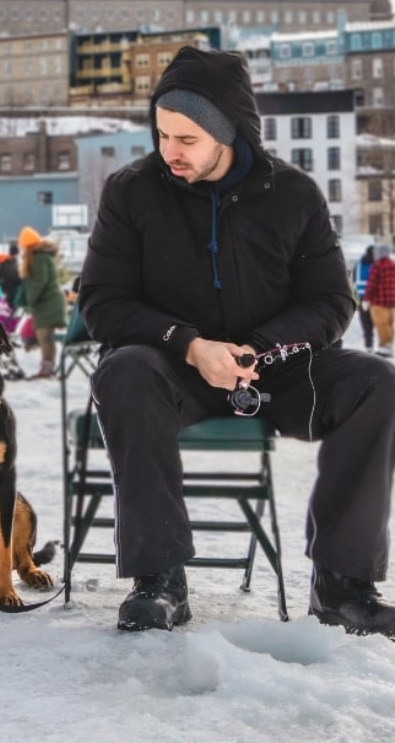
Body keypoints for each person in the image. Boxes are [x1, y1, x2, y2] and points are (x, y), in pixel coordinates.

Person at [79, 45, 395, 636]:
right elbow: (103, 301)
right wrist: (191, 345)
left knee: (376, 383)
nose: (169, 150)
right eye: (162, 133)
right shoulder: (131, 191)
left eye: (188, 139)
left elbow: (331, 301)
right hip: (171, 368)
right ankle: (160, 579)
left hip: (271, 369)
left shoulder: (295, 194)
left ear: (227, 133)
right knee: (123, 372)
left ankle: (342, 586)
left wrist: (262, 347)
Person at [14, 225, 67, 379]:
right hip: (48, 302)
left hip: (48, 303)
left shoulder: (39, 258)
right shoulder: (42, 256)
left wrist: (30, 300)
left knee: (44, 336)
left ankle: (47, 368)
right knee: (45, 337)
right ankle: (48, 366)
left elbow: (38, 282)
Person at [364, 244, 395, 358]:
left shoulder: (377, 266)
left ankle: (385, 347)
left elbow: (372, 285)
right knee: (389, 325)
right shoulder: (392, 265)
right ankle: (388, 346)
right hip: (391, 303)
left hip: (378, 302)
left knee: (381, 325)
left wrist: (366, 299)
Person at [353, 245, 376, 351]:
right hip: (375, 298)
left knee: (366, 322)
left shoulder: (358, 264)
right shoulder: (377, 265)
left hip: (363, 298)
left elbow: (354, 280)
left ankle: (369, 344)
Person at [0, 243, 21, 308]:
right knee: (12, 310)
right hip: (12, 292)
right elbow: (16, 278)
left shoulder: (2, 263)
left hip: (3, 291)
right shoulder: (11, 264)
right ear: (16, 254)